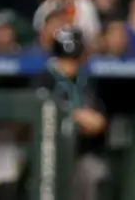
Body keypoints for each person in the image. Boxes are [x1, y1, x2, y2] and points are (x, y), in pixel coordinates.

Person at [34, 27, 108, 200]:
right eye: (65, 60)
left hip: (79, 152)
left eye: (73, 60)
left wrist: (72, 115)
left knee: (93, 170)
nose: (70, 65)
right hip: (49, 154)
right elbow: (40, 119)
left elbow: (98, 122)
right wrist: (76, 114)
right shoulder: (44, 79)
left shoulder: (85, 81)